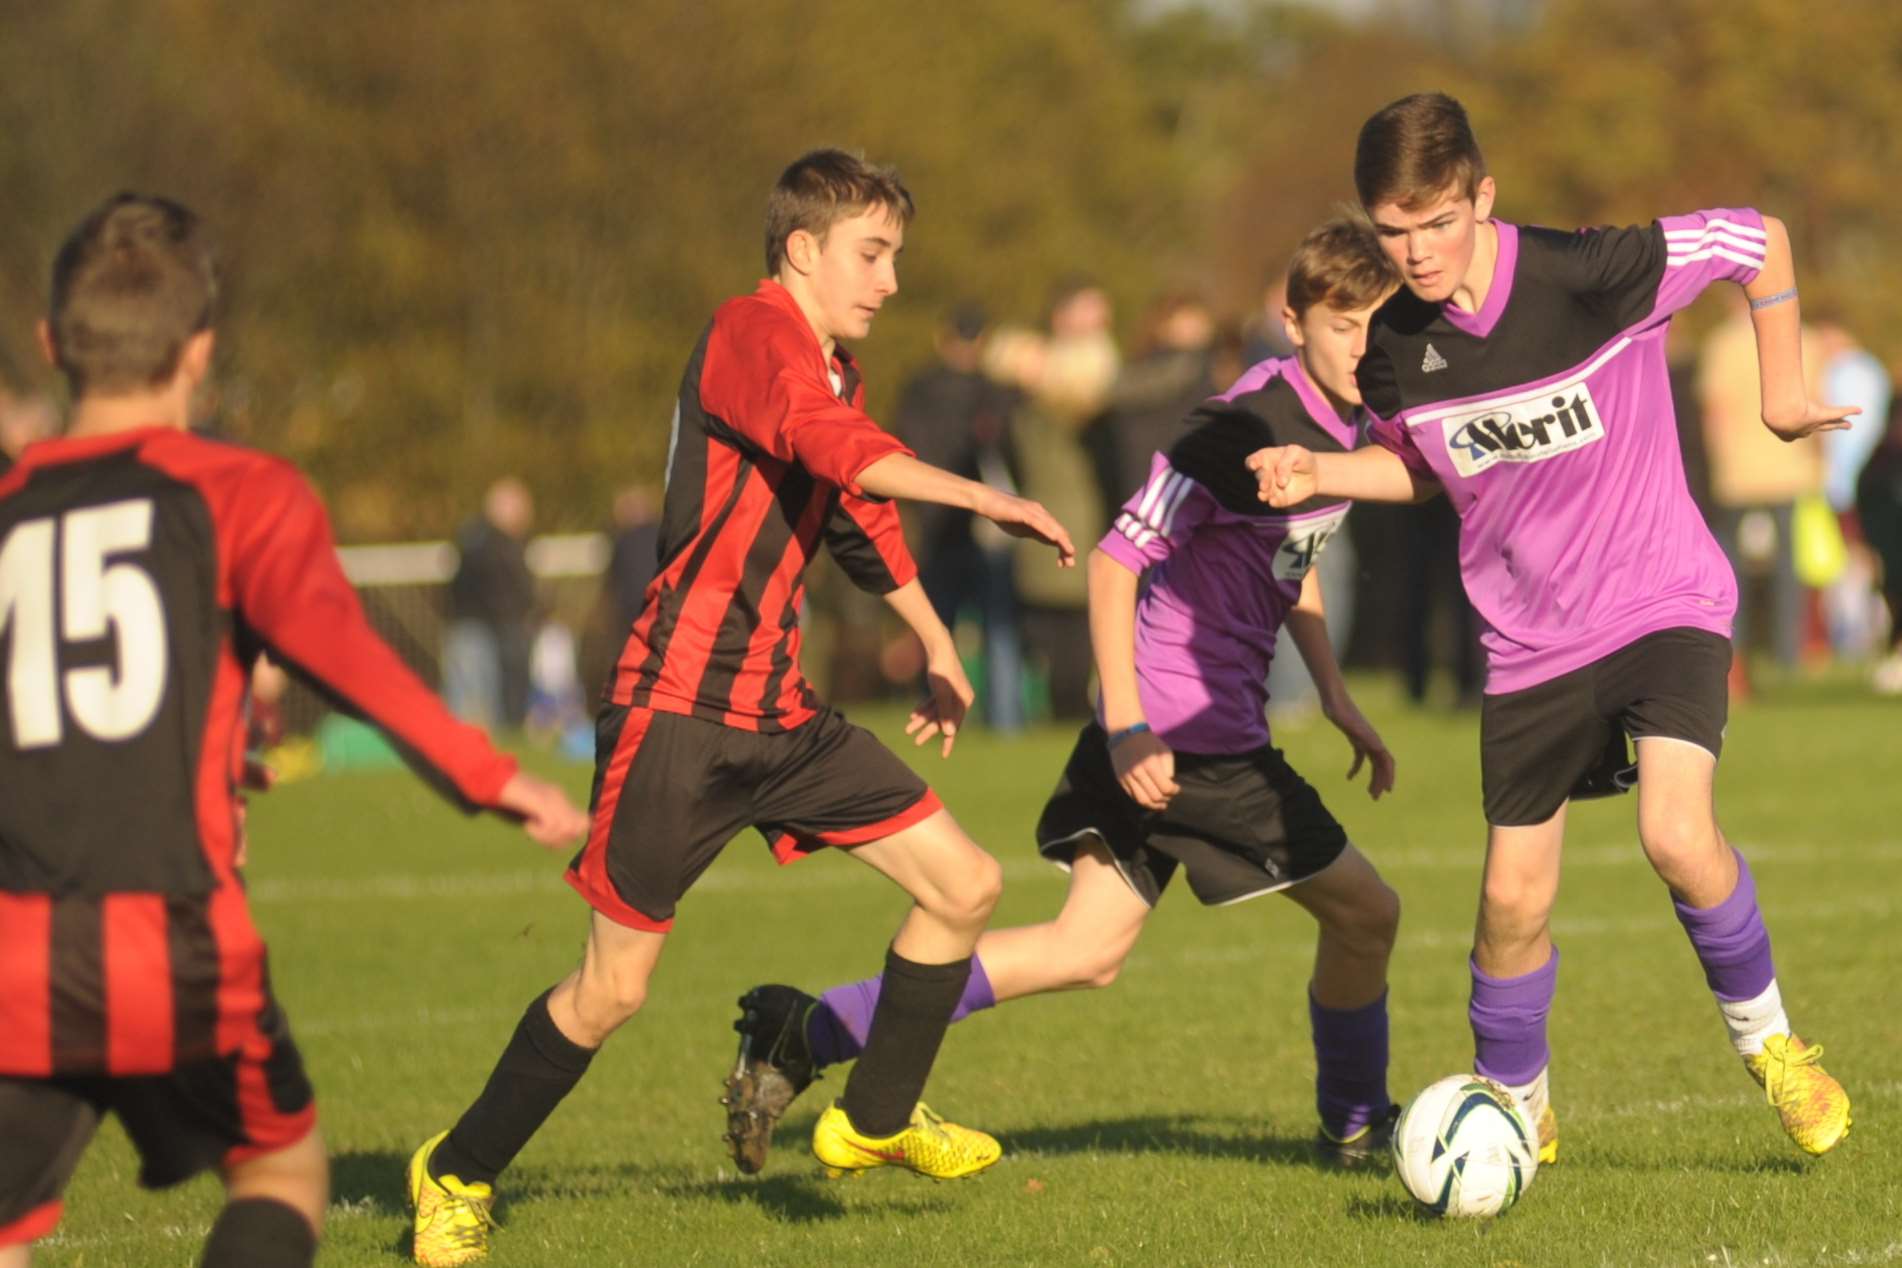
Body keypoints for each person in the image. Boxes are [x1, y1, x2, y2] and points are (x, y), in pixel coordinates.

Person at [407, 150, 1076, 1267]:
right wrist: (982, 494)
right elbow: (832, 451)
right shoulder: (749, 334)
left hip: (779, 712)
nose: (893, 280)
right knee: (611, 989)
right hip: (677, 706)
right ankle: (457, 1168)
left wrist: (935, 636)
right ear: (802, 249)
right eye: (874, 254)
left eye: (898, 256)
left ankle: (869, 1119)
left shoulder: (833, 368)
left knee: (965, 882)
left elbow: (856, 515)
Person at [721, 216, 1407, 1175]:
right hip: (1183, 735)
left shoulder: (1355, 427)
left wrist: (1333, 694)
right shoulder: (1236, 427)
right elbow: (1116, 560)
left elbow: (1295, 558)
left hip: (1171, 727)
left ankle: (808, 1030)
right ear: (1292, 324)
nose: (1366, 346)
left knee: (1085, 949)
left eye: (1382, 324)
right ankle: (1357, 1123)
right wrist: (1128, 724)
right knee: (1369, 913)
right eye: (1345, 326)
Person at [1248, 92, 1855, 1162]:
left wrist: (1784, 389)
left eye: (1438, 221)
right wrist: (1319, 467)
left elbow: (1760, 240)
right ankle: (1515, 1113)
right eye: (1393, 230)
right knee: (1509, 901)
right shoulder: (1393, 349)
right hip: (1531, 638)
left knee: (1675, 831)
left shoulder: (1592, 272)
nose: (1418, 251)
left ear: (1483, 195)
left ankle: (1775, 1047)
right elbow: (1420, 469)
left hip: (1661, 595)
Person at [0, 194, 589, 1268]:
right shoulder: (239, 491)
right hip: (172, 934)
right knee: (279, 1168)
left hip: (12, 946)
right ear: (200, 354)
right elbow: (353, 663)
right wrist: (489, 775)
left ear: (48, 345)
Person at [893, 303, 1026, 731]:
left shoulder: (919, 390)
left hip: (936, 525)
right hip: (986, 527)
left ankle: (932, 712)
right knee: (998, 630)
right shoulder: (995, 392)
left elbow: (900, 450)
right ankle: (1004, 722)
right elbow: (1015, 453)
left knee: (937, 628)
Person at [443, 477, 537, 729]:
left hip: (489, 626)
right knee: (472, 700)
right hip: (479, 627)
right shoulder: (486, 542)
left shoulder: (480, 538)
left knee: (486, 701)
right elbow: (500, 589)